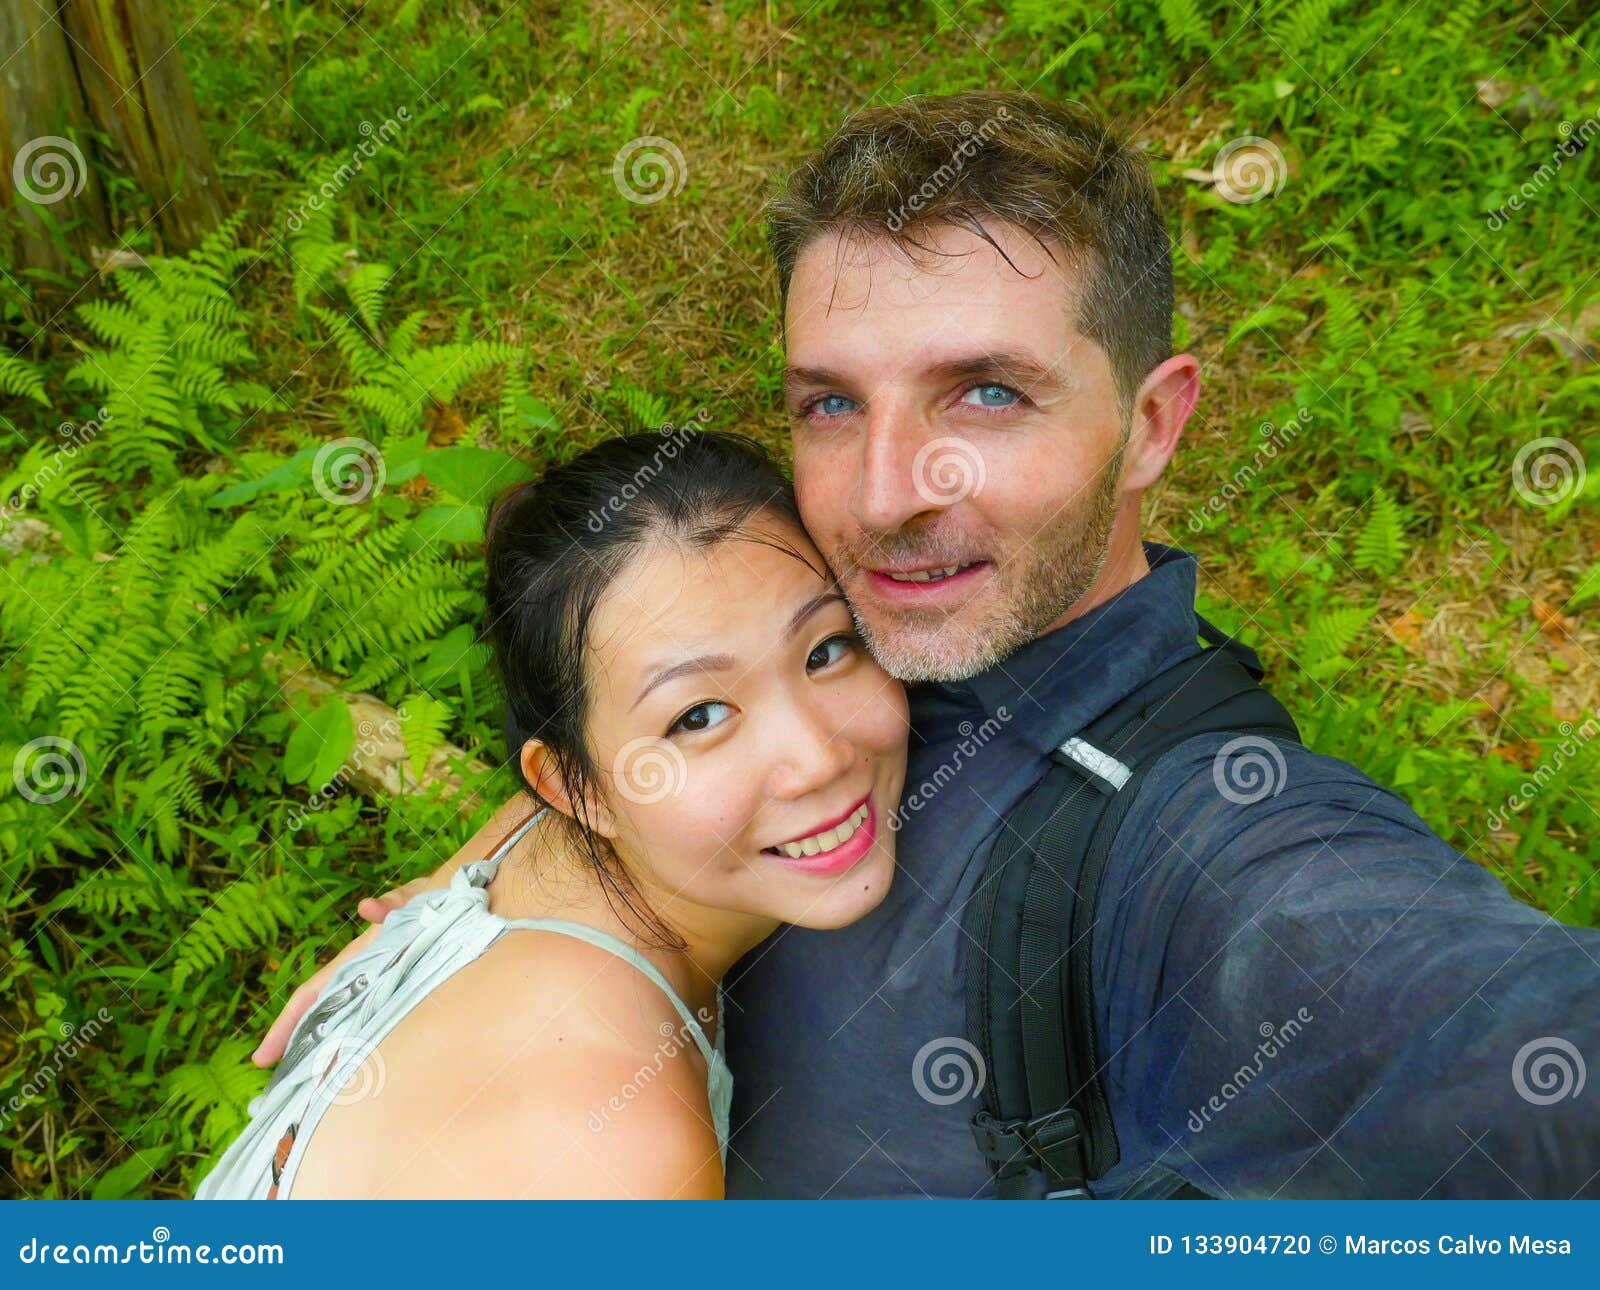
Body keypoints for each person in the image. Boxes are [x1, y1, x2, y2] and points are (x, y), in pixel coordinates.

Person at [257, 91, 1600, 1199]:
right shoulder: (833, 611)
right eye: (833, 403)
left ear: (1152, 423)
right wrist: (489, 889)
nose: (886, 492)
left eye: (991, 392)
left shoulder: (1206, 844)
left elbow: (1490, 1036)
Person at [199, 431, 908, 1198]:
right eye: (698, 716)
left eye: (825, 650)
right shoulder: (621, 1144)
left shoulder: (548, 831)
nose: (821, 757)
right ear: (577, 791)